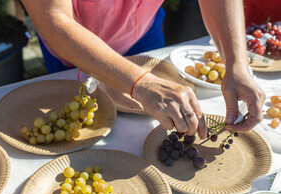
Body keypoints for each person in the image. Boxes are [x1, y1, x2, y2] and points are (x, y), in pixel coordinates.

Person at [21, 0, 265, 138]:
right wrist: (144, 84)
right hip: (76, 48)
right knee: (83, 129)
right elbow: (55, 21)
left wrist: (237, 62)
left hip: (142, 33)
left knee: (144, 129)